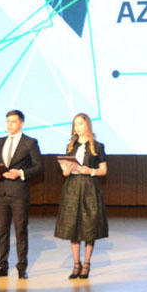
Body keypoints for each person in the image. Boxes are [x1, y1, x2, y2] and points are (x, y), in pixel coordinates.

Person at [0, 109, 44, 279]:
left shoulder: (30, 143)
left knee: (20, 230)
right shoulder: (0, 141)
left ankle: (21, 267)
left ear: (21, 123)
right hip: (1, 192)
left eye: (13, 121)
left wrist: (21, 173)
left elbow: (39, 166)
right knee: (2, 231)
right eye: (8, 121)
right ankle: (2, 266)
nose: (9, 125)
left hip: (19, 192)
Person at [54, 112, 108, 279]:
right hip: (72, 188)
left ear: (88, 125)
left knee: (89, 226)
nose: (77, 127)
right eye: (75, 124)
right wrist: (66, 169)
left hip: (89, 187)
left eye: (80, 124)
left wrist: (90, 170)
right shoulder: (71, 147)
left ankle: (86, 264)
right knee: (73, 226)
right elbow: (65, 172)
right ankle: (76, 264)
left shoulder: (97, 146)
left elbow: (103, 170)